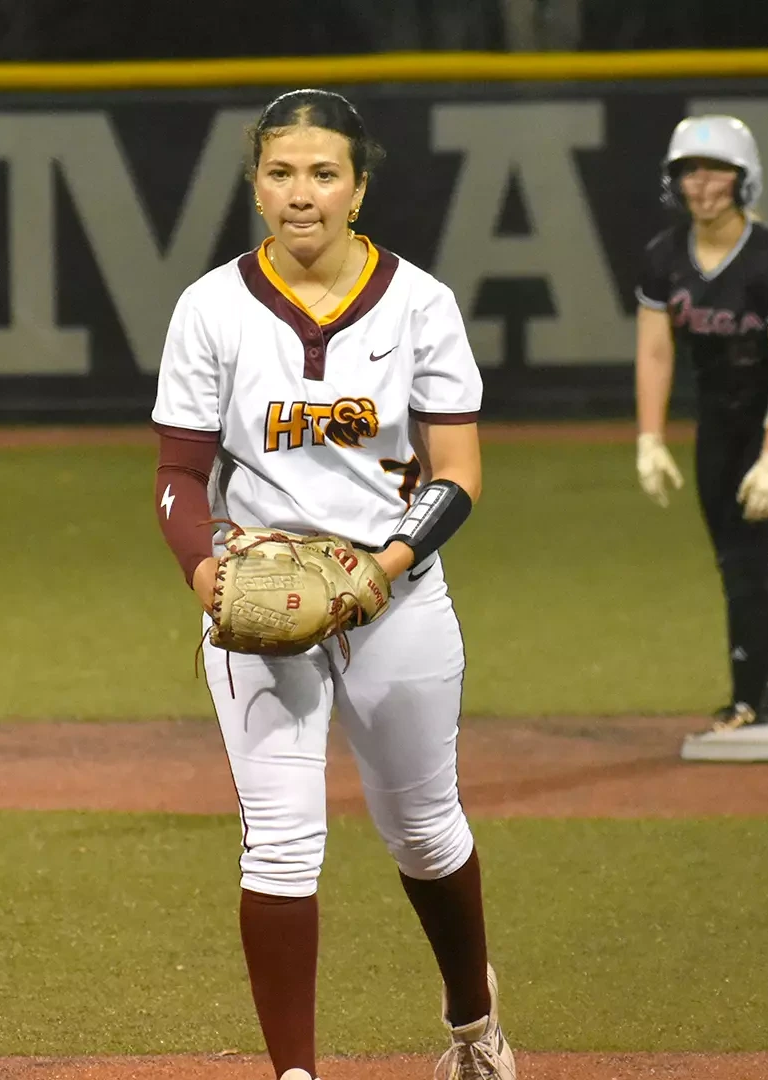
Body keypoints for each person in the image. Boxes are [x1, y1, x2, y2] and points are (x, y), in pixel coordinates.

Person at [150, 88, 516, 1080]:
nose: (299, 194)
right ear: (255, 184)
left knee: (426, 833)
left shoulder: (420, 303)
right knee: (279, 845)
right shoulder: (211, 307)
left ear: (358, 187)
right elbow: (178, 476)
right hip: (263, 606)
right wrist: (205, 574)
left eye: (322, 174)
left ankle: (473, 1023)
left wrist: (382, 572)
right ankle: (296, 1076)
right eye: (279, 173)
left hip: (398, 602)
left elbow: (460, 473)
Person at [633, 114, 768, 733]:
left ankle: (751, 698)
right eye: (690, 170)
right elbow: (656, 352)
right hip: (719, 420)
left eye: (718, 170)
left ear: (745, 179)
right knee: (734, 561)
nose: (704, 184)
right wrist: (649, 436)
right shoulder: (665, 256)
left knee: (745, 554)